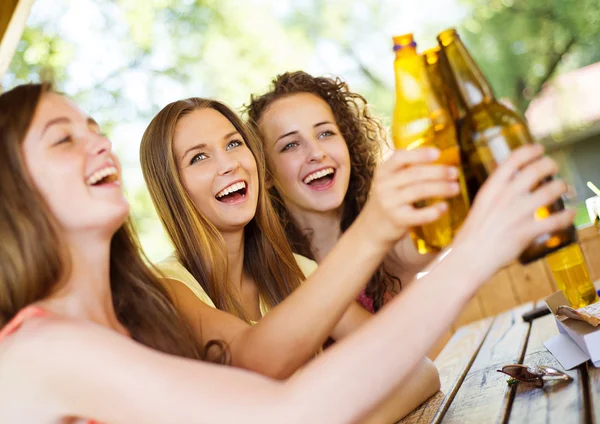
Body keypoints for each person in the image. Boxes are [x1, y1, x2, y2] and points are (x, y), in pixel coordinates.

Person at [0, 83, 574, 423]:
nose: (99, 142)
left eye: (94, 127)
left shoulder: (113, 327)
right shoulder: (45, 345)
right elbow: (283, 405)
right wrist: (470, 252)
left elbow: (406, 374)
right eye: (63, 137)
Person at [140, 97, 443, 422]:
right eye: (199, 157)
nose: (229, 164)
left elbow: (415, 369)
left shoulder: (298, 270)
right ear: (171, 187)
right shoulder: (166, 289)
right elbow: (256, 363)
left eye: (233, 143)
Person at [246, 71, 438, 312]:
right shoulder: (273, 275)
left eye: (326, 133)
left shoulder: (391, 244)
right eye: (290, 145)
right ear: (265, 173)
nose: (316, 152)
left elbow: (441, 224)